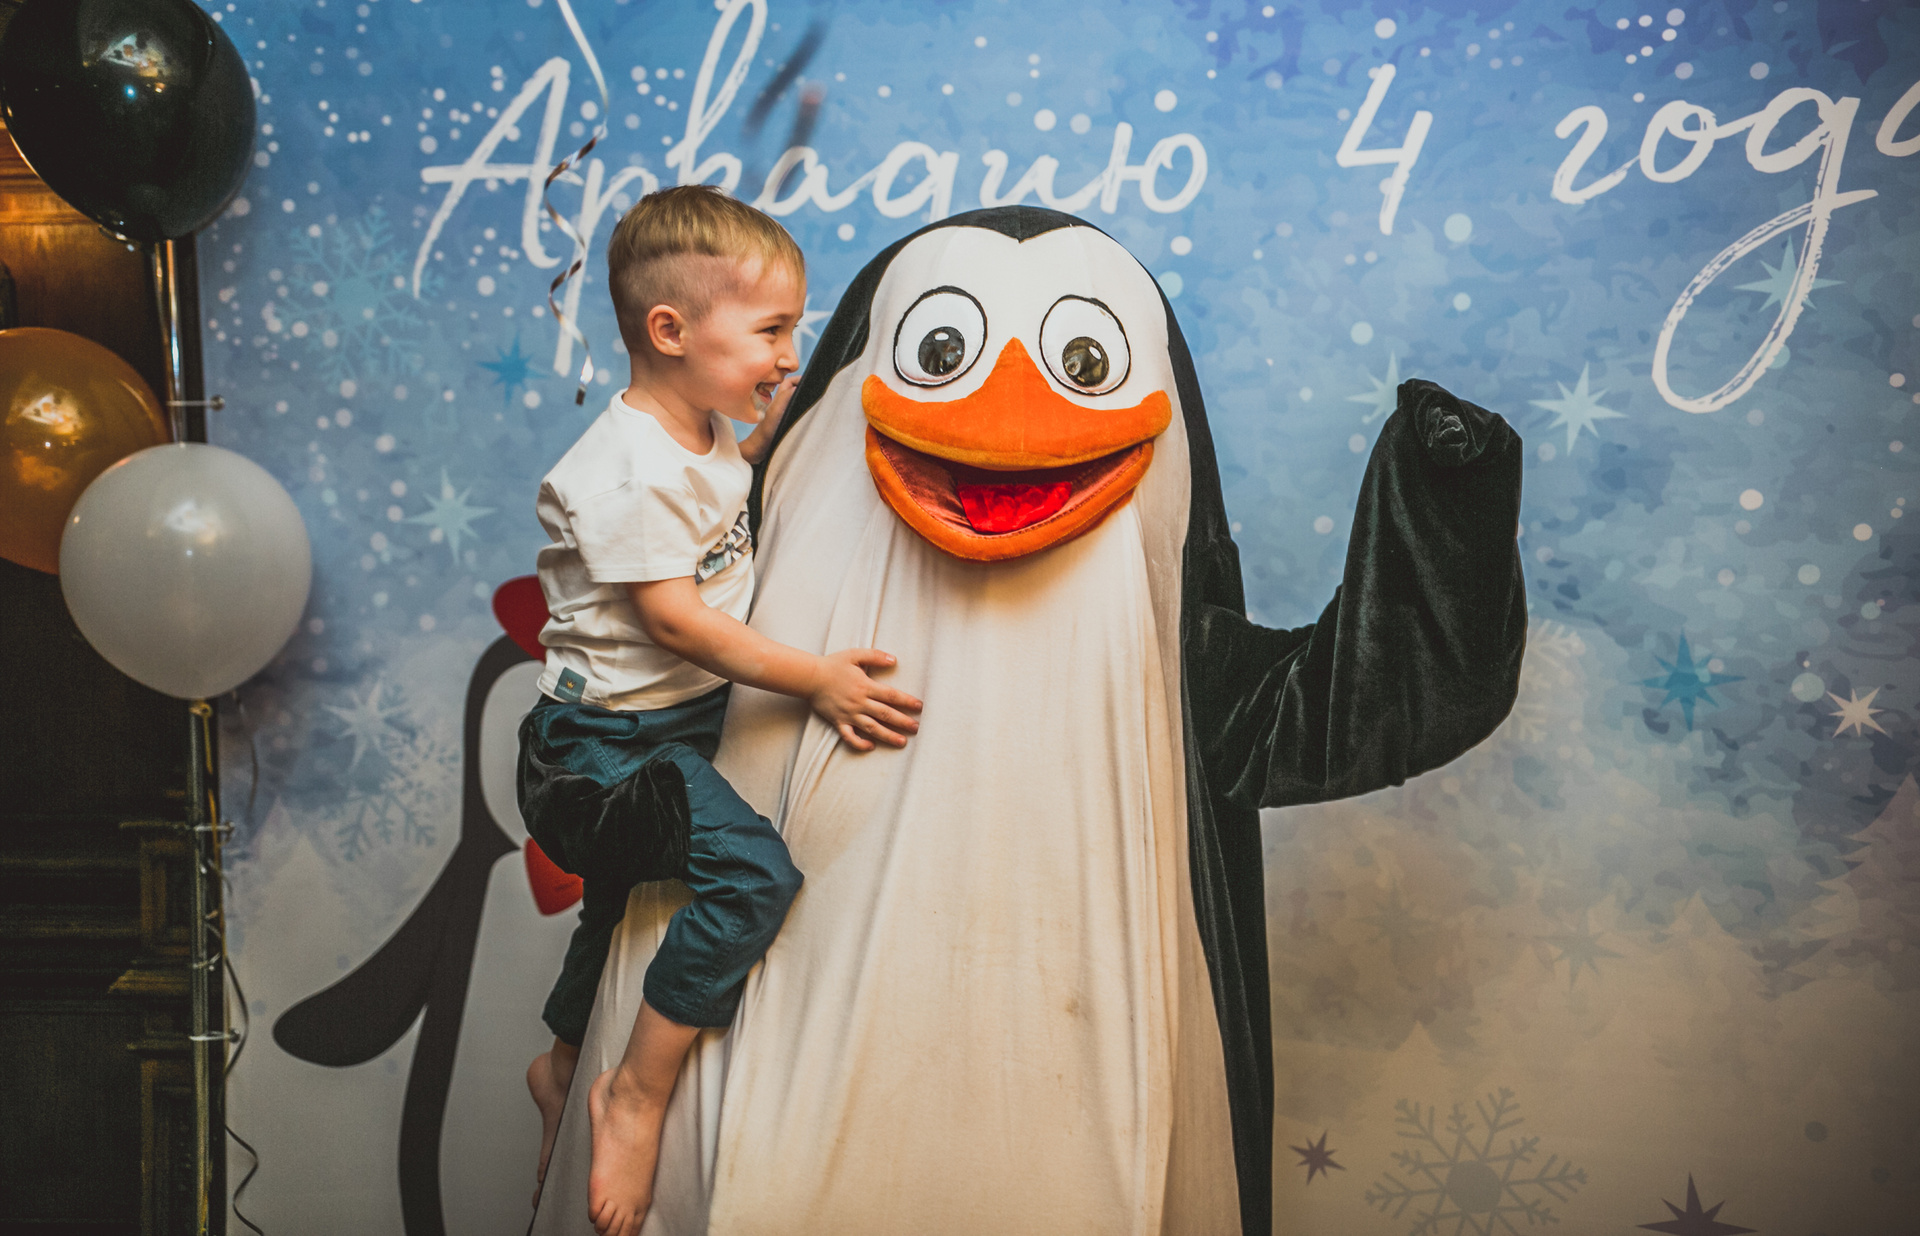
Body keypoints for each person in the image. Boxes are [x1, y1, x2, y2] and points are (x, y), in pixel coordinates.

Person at [517, 185, 923, 1236]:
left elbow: (711, 507)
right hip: (599, 752)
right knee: (752, 879)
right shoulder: (625, 473)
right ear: (672, 331)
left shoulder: (695, 431)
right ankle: (633, 1093)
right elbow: (678, 624)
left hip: (663, 728)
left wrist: (760, 442)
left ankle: (561, 1063)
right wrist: (817, 677)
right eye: (771, 332)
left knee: (615, 908)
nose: (788, 354)